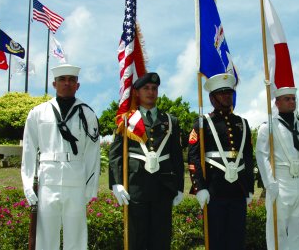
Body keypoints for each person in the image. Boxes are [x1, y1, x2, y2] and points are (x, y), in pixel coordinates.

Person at [21, 63, 101, 250]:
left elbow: (92, 153)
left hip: (76, 181)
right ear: (54, 84)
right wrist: (27, 184)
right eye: (62, 80)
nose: (67, 83)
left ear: (77, 85)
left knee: (76, 237)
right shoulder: (38, 113)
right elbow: (29, 149)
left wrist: (91, 186)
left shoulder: (87, 114)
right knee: (46, 237)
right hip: (48, 180)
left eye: (71, 80)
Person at [109, 72, 184, 250]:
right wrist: (116, 183)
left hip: (163, 189)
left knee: (161, 239)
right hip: (136, 188)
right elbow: (116, 154)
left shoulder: (170, 121)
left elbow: (177, 157)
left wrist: (179, 187)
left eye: (154, 88)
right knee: (137, 239)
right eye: (146, 88)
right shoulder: (127, 121)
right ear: (136, 92)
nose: (150, 92)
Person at [188, 73, 254, 250]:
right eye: (222, 93)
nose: (227, 96)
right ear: (212, 98)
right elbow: (193, 157)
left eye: (229, 92)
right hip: (214, 190)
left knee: (237, 240)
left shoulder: (242, 123)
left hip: (238, 190)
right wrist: (199, 187)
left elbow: (248, 157)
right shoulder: (203, 123)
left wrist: (249, 188)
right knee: (216, 240)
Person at [256, 87, 299, 250]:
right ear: (277, 102)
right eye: (287, 99)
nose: (292, 102)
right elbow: (262, 155)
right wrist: (269, 182)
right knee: (277, 227)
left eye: (293, 98)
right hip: (280, 182)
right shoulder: (268, 127)